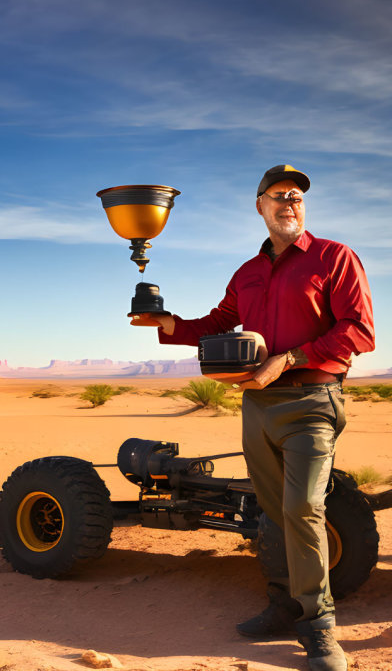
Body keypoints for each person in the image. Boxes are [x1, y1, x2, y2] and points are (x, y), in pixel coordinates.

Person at [132, 164, 374, 671]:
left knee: (304, 509)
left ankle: (319, 625)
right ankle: (284, 603)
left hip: (311, 402)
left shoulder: (334, 257)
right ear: (260, 206)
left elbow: (358, 331)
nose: (290, 203)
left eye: (297, 197)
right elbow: (218, 322)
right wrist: (167, 322)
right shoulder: (247, 272)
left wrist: (287, 359)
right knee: (271, 512)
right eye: (278, 195)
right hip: (257, 406)